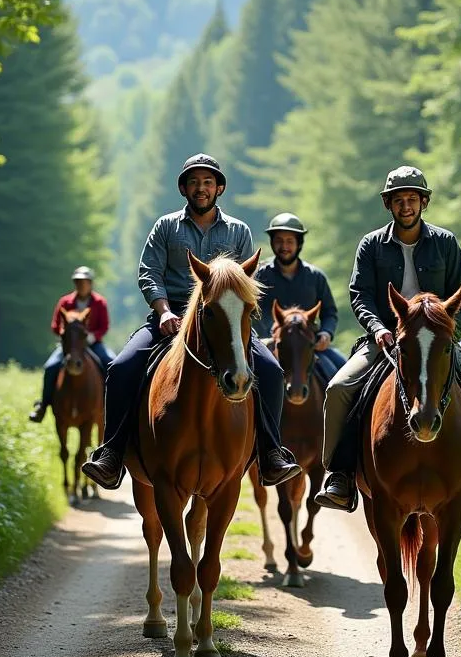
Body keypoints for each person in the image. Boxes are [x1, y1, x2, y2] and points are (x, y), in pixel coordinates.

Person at [82, 154, 301, 490]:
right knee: (121, 367)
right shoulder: (166, 226)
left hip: (224, 324)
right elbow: (149, 272)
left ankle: (271, 453)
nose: (202, 188)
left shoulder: (239, 231)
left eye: (208, 182)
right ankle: (111, 453)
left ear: (219, 188)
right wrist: (165, 310)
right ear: (184, 188)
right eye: (195, 182)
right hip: (168, 321)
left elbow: (245, 285)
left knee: (271, 371)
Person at [314, 165, 461, 515]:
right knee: (338, 389)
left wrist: (448, 335)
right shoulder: (371, 245)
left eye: (412, 199)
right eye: (399, 200)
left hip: (437, 343)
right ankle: (340, 476)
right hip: (386, 340)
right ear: (389, 205)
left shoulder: (446, 242)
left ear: (423, 202)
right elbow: (360, 295)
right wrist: (378, 328)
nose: (406, 206)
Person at [254, 212, 347, 384]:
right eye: (279, 241)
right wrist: (267, 338)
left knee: (345, 374)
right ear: (272, 243)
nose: (284, 246)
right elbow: (251, 312)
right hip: (268, 347)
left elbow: (330, 312)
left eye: (290, 241)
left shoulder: (316, 276)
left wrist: (326, 333)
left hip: (311, 347)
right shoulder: (260, 276)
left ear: (299, 244)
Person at [29, 266, 114, 423]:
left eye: (84, 282)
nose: (81, 285)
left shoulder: (100, 302)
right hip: (69, 345)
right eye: (78, 282)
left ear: (90, 283)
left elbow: (104, 326)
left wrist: (92, 337)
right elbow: (55, 325)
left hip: (92, 343)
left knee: (111, 363)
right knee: (50, 367)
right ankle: (43, 405)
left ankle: (112, 405)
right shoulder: (65, 302)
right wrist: (67, 334)